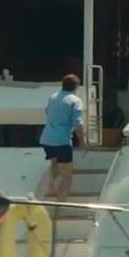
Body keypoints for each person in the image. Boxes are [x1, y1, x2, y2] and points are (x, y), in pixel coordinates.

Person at [39, 73, 86, 203]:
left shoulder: (53, 97)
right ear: (76, 87)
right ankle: (59, 205)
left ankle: (51, 184)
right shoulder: (75, 101)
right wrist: (82, 142)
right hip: (61, 141)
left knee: (54, 162)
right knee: (67, 177)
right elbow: (78, 123)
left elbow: (47, 111)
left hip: (46, 139)